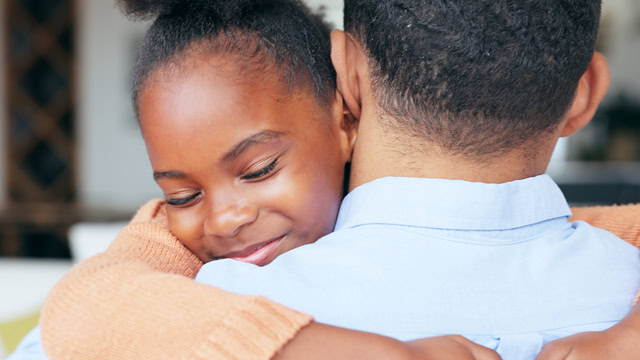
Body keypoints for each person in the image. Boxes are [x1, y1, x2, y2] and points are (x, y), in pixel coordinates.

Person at [10, 0, 640, 359]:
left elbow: (65, 328)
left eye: (257, 170)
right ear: (583, 96)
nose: (227, 217)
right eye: (179, 196)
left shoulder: (208, 306)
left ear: (345, 81)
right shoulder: (621, 291)